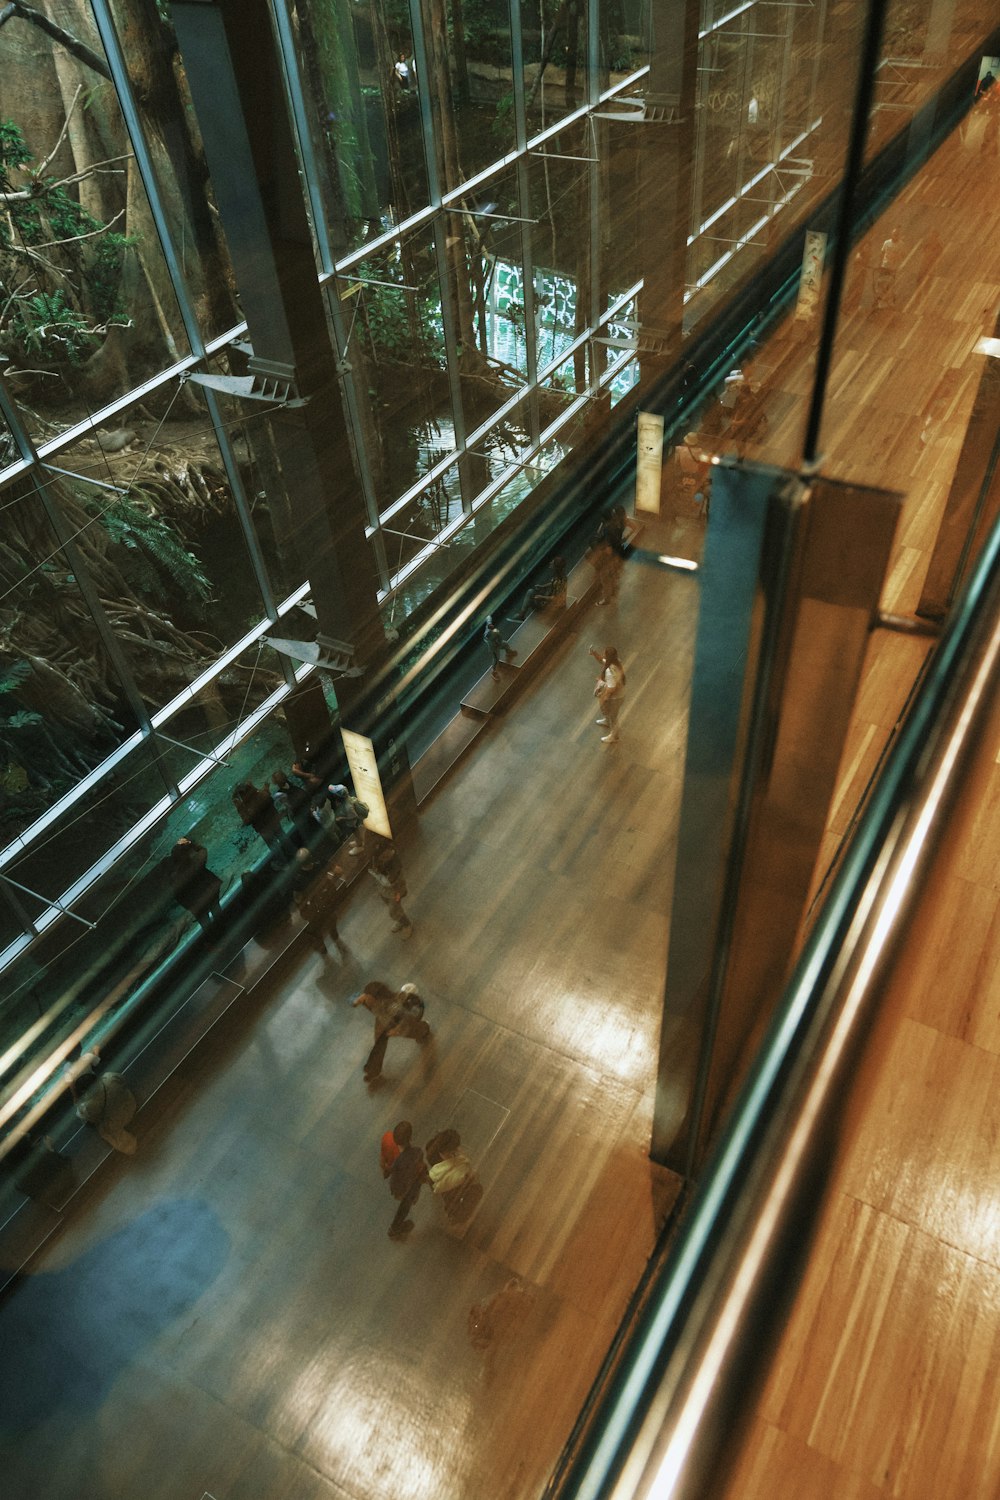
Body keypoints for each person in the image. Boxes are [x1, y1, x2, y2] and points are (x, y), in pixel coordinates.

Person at [352, 980, 430, 1081]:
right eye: (365, 995)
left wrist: (397, 1030)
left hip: (396, 1022)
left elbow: (406, 1018)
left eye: (368, 997)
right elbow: (352, 1000)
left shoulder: (392, 1006)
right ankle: (373, 1070)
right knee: (379, 1044)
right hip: (382, 1020)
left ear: (378, 999)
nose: (366, 999)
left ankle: (424, 1029)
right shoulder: (368, 1000)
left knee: (413, 1032)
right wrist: (356, 1001)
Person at [74, 1050, 138, 1155]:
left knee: (104, 1130)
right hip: (130, 1103)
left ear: (84, 1092)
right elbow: (123, 1080)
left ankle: (130, 1146)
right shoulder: (110, 1077)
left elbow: (89, 1119)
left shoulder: (88, 1107)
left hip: (118, 1121)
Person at [232, 781, 298, 864]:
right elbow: (268, 798)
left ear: (241, 796)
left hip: (263, 828)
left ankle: (283, 862)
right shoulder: (260, 794)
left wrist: (239, 807)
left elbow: (247, 820)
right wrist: (265, 788)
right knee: (282, 835)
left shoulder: (245, 806)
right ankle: (294, 853)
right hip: (273, 820)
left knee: (274, 845)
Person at [425, 1129, 482, 1225]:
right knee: (477, 1189)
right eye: (454, 1149)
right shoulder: (447, 1163)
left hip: (445, 1185)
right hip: (451, 1186)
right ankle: (459, 1217)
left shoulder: (435, 1151)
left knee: (451, 1198)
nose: (457, 1151)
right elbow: (462, 1175)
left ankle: (454, 1215)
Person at [168, 836, 223, 934]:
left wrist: (191, 907)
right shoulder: (194, 864)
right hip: (209, 895)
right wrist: (190, 843)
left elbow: (177, 896)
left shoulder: (174, 878)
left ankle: (215, 938)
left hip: (197, 904)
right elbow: (203, 850)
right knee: (218, 914)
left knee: (206, 924)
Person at [294, 861, 347, 958]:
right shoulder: (319, 864)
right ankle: (336, 939)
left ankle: (323, 951)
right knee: (331, 922)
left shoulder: (299, 879)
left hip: (314, 909)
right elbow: (338, 870)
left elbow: (298, 899)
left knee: (316, 930)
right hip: (327, 902)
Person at [385, 1121, 428, 1240]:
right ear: (411, 1137)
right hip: (413, 1186)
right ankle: (395, 1228)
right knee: (406, 1205)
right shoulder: (418, 1152)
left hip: (402, 1188)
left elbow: (394, 1177)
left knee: (404, 1207)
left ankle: (395, 1228)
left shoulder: (397, 1161)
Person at [367, 840, 413, 936]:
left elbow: (395, 878)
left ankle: (406, 924)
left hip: (395, 890)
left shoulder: (394, 862)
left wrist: (398, 892)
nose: (383, 858)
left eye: (384, 856)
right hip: (384, 888)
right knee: (390, 906)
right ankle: (400, 920)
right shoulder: (378, 857)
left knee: (394, 910)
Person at [272, 768, 320, 851]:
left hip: (303, 811)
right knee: (309, 833)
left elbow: (290, 804)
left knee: (311, 832)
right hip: (301, 812)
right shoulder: (283, 791)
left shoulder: (285, 788)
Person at [589, 644, 626, 744]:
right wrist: (595, 654)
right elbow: (602, 661)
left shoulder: (609, 672)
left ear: (607, 655)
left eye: (604, 653)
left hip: (615, 698)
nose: (603, 654)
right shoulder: (617, 662)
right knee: (608, 712)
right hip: (620, 695)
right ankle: (606, 720)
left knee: (613, 718)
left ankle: (614, 736)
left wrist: (604, 697)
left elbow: (612, 688)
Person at [326, 783, 369, 854]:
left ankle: (360, 846)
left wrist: (342, 818)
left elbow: (353, 816)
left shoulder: (348, 806)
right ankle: (358, 842)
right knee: (356, 834)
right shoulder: (347, 799)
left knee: (357, 833)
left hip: (353, 823)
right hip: (353, 822)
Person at [483, 615, 517, 680]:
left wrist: (489, 619)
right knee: (496, 659)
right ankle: (493, 671)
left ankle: (508, 652)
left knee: (505, 644)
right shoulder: (490, 638)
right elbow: (497, 639)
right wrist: (498, 642)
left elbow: (488, 619)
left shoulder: (491, 630)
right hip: (494, 648)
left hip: (498, 643)